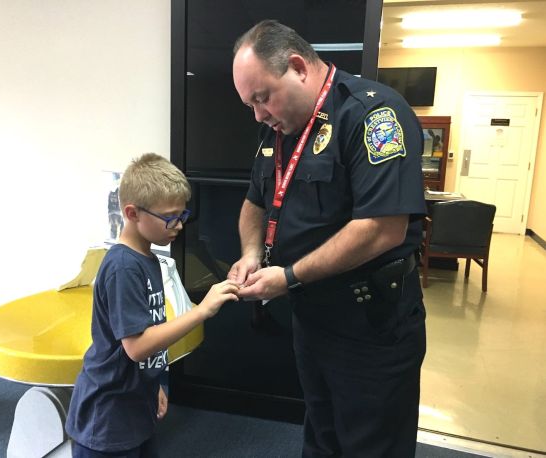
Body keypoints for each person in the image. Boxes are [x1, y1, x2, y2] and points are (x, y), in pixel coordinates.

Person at [229, 20, 427, 457]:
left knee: (372, 445)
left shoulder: (373, 115)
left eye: (262, 97)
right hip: (311, 317)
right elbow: (255, 202)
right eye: (250, 104)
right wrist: (251, 254)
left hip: (371, 324)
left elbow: (381, 228)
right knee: (321, 436)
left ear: (298, 67)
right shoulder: (277, 129)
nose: (258, 114)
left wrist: (288, 277)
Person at [66, 153, 239, 457]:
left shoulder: (148, 259)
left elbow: (147, 333)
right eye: (171, 217)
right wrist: (201, 311)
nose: (179, 226)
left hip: (136, 402)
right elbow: (136, 346)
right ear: (132, 213)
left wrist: (153, 383)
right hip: (106, 417)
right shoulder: (123, 267)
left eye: (182, 216)